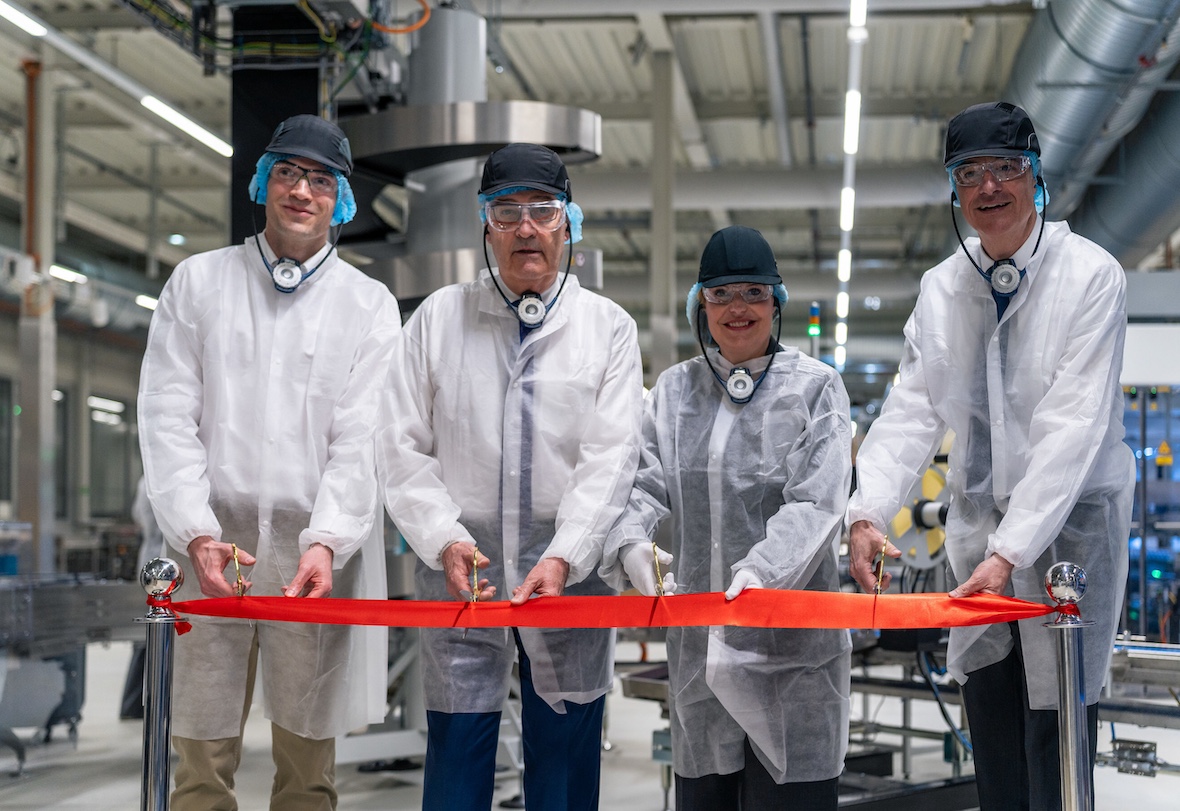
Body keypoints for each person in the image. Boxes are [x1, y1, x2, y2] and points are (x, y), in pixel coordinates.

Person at [846, 101, 1134, 810]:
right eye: (969, 173)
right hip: (978, 548)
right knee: (997, 746)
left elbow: (1073, 428)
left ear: (1035, 176)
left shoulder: (1090, 275)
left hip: (1066, 544)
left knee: (1057, 750)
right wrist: (866, 511)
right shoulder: (943, 288)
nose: (989, 187)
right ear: (955, 189)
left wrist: (1012, 550)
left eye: (1006, 168)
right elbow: (911, 410)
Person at [138, 114, 402, 811]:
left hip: (312, 553)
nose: (301, 190)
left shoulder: (366, 304)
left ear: (340, 200)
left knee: (307, 769)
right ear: (262, 182)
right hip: (208, 542)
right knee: (200, 762)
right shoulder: (199, 282)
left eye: (321, 180)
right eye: (287, 172)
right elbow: (167, 414)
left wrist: (328, 540)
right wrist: (195, 531)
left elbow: (362, 436)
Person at [377, 142, 644, 811]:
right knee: (457, 767)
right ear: (486, 225)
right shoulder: (439, 318)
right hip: (461, 572)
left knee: (563, 777)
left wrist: (566, 552)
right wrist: (443, 537)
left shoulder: (607, 328)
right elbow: (400, 444)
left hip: (570, 577)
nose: (526, 227)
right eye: (506, 210)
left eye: (542, 210)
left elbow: (611, 457)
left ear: (567, 223)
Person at [600, 225, 853, 810]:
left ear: (776, 302)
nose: (738, 308)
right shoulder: (673, 392)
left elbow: (816, 502)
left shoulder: (816, 389)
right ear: (701, 305)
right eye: (721, 294)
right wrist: (632, 544)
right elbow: (641, 483)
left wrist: (761, 573)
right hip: (700, 661)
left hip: (794, 662)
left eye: (754, 293)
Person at [120, 475, 166, 720]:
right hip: (164, 567)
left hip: (148, 561)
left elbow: (137, 515)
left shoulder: (144, 479)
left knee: (146, 636)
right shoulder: (163, 477)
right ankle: (137, 704)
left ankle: (133, 705)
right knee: (152, 637)